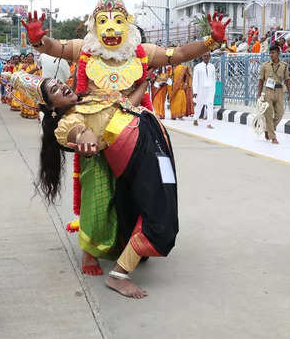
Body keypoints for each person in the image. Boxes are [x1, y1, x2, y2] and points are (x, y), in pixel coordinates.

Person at [22, 0, 230, 278]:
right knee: (99, 194)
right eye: (103, 21)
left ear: (127, 23)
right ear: (94, 25)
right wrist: (39, 39)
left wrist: (212, 40)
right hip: (96, 131)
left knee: (136, 192)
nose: (110, 28)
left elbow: (181, 54)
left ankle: (131, 242)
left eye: (117, 20)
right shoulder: (86, 49)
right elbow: (55, 47)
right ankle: (90, 252)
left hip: (134, 134)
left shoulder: (142, 51)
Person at [13, 72, 178, 299]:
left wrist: (144, 83)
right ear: (51, 107)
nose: (61, 87)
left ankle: (130, 252)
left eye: (59, 83)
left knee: (161, 204)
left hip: (156, 146)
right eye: (54, 91)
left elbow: (127, 104)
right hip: (136, 155)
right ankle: (117, 275)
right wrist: (85, 138)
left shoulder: (92, 98)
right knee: (160, 217)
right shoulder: (67, 121)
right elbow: (76, 132)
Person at [257, 45, 290, 144]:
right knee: (268, 114)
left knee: (280, 113)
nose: (271, 55)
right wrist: (259, 94)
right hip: (267, 91)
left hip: (279, 91)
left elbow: (287, 80)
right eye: (270, 53)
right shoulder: (265, 65)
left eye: (273, 53)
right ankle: (273, 137)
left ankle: (268, 129)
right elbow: (261, 80)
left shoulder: (284, 66)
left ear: (278, 53)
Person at [192, 52, 216, 128]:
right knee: (199, 105)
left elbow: (214, 79)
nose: (206, 57)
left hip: (210, 89)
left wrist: (213, 89)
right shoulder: (197, 67)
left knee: (210, 105)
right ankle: (195, 119)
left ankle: (209, 123)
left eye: (207, 56)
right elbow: (195, 80)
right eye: (204, 56)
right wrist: (195, 91)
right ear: (202, 57)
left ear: (209, 57)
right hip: (200, 89)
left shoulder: (212, 67)